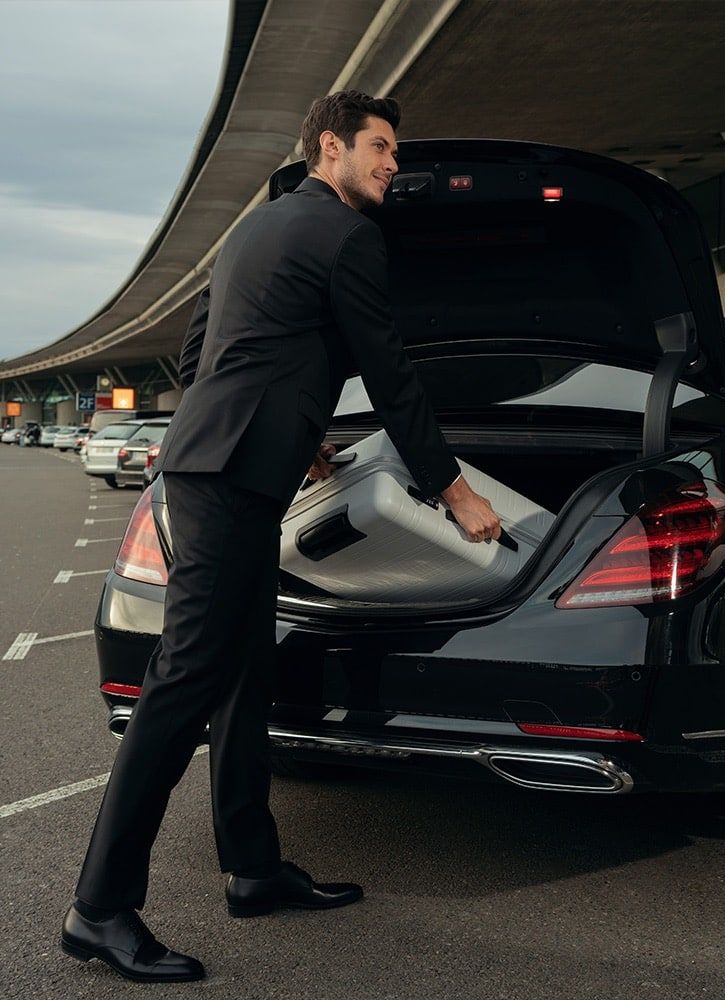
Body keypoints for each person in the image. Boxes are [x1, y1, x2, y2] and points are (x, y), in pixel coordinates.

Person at [60, 90, 501, 984]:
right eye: (379, 149)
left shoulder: (257, 230)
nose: (392, 165)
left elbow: (203, 350)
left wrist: (287, 436)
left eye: (394, 151)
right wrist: (453, 490)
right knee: (184, 682)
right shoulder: (346, 236)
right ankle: (98, 909)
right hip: (227, 482)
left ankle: (253, 868)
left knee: (246, 672)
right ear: (330, 147)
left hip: (218, 467)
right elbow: (388, 369)